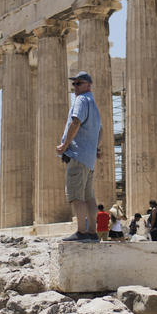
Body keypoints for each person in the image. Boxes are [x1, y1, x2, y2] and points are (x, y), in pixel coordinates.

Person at [56, 71, 102, 242]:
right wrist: (96, 148)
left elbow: (76, 122)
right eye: (74, 84)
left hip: (77, 155)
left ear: (88, 85)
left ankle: (81, 232)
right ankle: (92, 232)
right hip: (89, 159)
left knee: (76, 196)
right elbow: (101, 130)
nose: (75, 87)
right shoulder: (93, 103)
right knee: (89, 197)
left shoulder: (81, 100)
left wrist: (64, 145)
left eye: (79, 83)